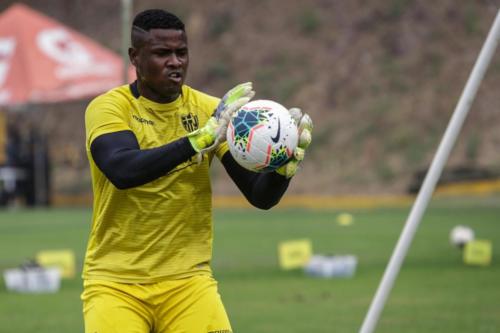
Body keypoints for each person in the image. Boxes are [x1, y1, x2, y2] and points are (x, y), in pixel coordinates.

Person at [81, 8, 312, 333]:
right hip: (116, 283)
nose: (175, 62)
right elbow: (123, 170)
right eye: (162, 53)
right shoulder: (109, 108)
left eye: (181, 52)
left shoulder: (210, 110)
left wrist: (280, 170)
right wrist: (197, 140)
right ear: (135, 57)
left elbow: (260, 196)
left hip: (188, 282)